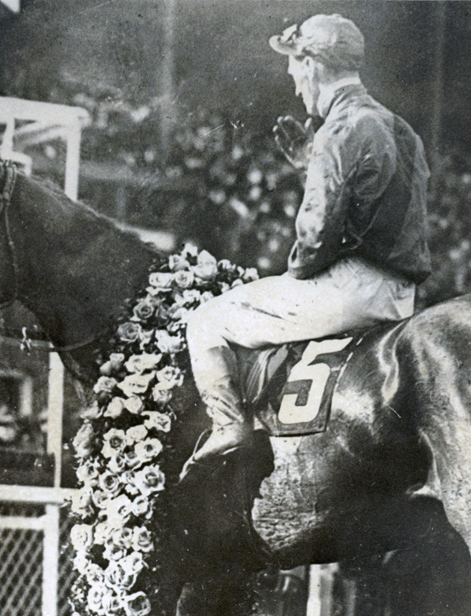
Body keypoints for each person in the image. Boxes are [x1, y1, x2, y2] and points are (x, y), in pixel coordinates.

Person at [181, 13, 430, 473]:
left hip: (347, 291)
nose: (294, 82)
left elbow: (315, 238)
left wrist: (295, 273)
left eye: (295, 67)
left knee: (206, 321)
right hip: (399, 297)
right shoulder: (403, 129)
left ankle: (229, 425)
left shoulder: (340, 128)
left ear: (313, 64)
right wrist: (309, 166)